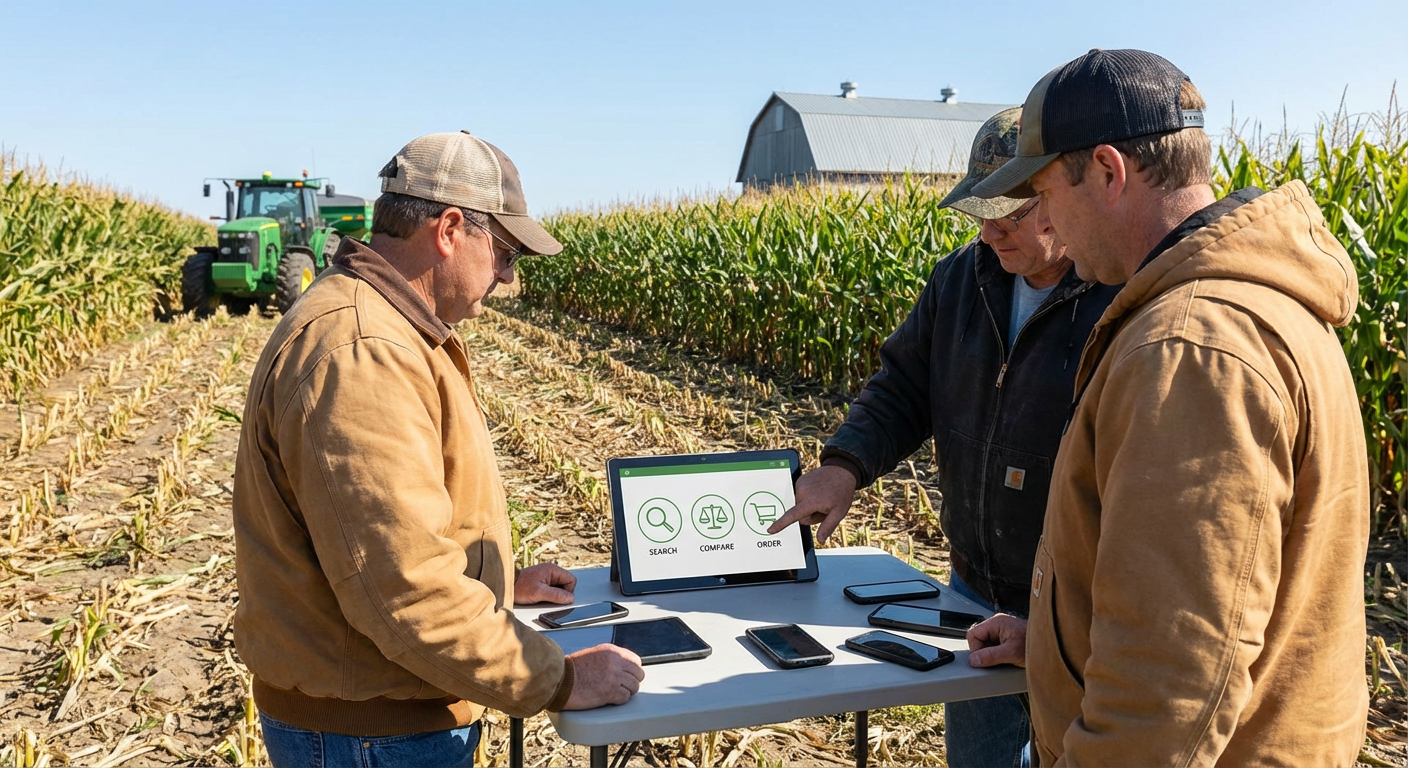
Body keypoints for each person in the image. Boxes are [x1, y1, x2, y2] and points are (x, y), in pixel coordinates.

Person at [966, 49, 1369, 766]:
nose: (1046, 217)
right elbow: (1223, 591)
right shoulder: (1266, 301)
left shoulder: (1190, 348)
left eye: (1045, 190)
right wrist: (1065, 637)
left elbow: (1168, 690)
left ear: (1108, 172)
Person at [232, 131, 645, 768]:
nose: (508, 278)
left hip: (383, 716)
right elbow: (405, 589)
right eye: (504, 253)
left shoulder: (385, 327)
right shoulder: (363, 350)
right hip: (371, 735)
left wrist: (496, 585)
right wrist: (558, 678)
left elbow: (389, 538)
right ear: (450, 229)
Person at [768, 107, 1120, 767]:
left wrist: (1058, 626)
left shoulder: (1116, 293)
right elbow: (904, 386)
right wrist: (842, 467)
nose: (989, 232)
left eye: (1008, 214)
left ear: (1055, 198)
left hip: (1078, 608)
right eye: (977, 211)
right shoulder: (963, 279)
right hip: (972, 591)